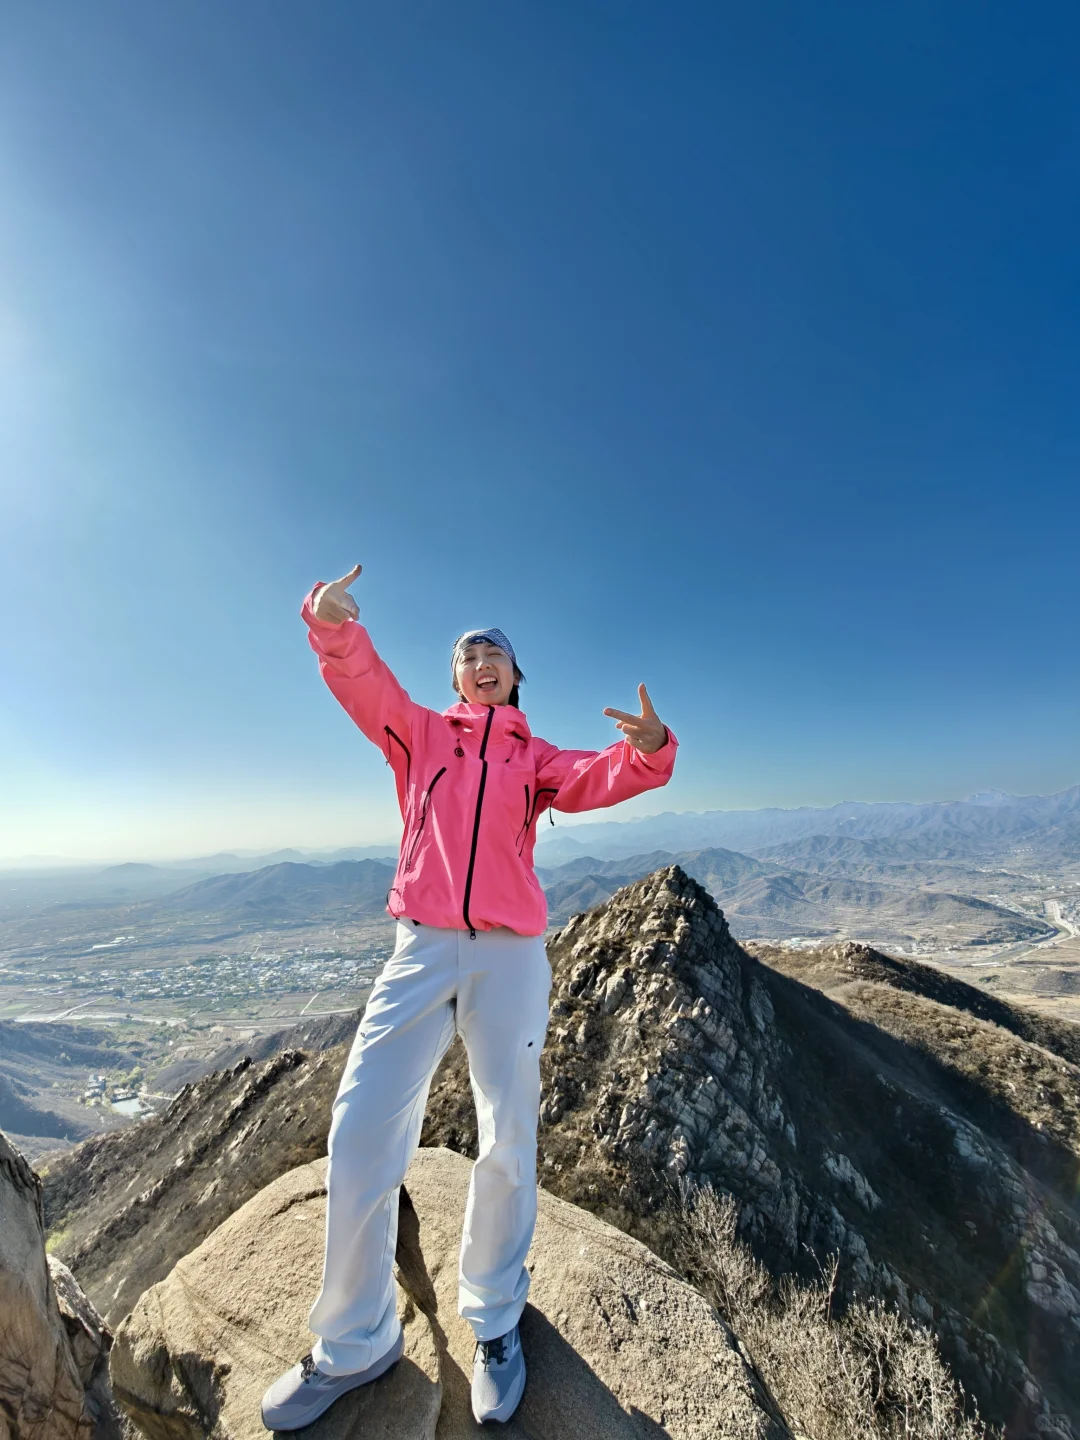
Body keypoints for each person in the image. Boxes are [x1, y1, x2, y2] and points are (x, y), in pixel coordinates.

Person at [262, 563, 678, 1430]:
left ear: (516, 676)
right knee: (361, 1127)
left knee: (507, 1134)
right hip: (419, 948)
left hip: (510, 957)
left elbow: (601, 775)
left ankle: (493, 1322)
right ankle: (354, 1341)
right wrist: (331, 624)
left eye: (495, 654)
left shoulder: (536, 758)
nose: (481, 662)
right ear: (454, 678)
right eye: (466, 655)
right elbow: (362, 683)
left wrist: (649, 749)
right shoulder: (418, 733)